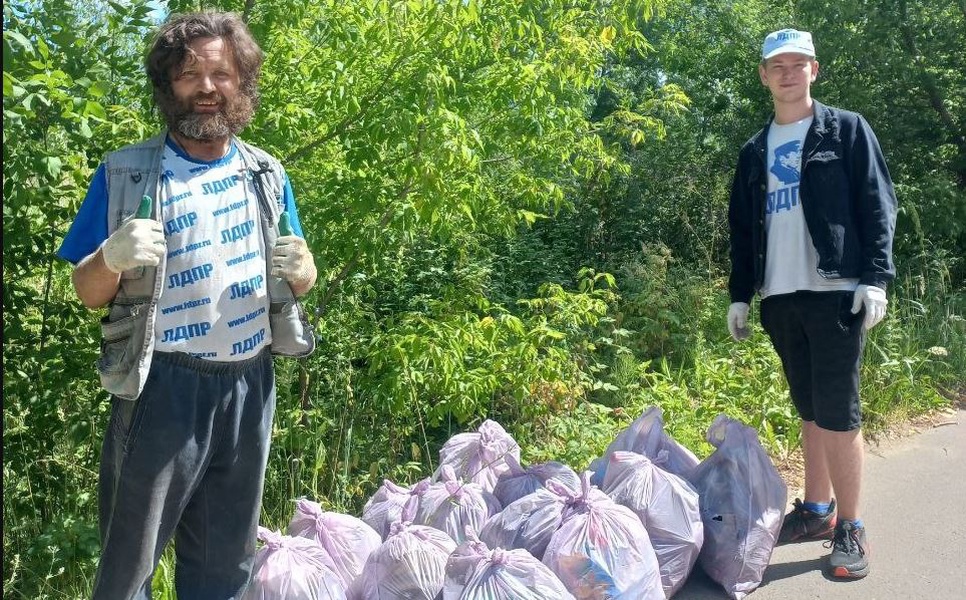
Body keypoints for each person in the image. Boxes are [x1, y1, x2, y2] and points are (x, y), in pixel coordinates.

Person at [57, 11, 318, 599]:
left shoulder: (267, 175)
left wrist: (305, 273)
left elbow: (298, 274)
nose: (206, 88)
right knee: (130, 568)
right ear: (166, 86)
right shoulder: (125, 172)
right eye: (188, 75)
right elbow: (85, 290)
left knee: (225, 568)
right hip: (162, 389)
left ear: (242, 83)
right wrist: (111, 256)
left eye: (221, 74)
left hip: (250, 387)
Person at [726, 28, 897, 580]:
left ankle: (851, 526)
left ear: (814, 70)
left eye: (798, 63)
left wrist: (876, 278)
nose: (788, 73)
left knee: (840, 415)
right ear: (764, 75)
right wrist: (740, 294)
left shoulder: (844, 130)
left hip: (834, 294)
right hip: (780, 297)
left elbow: (877, 203)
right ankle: (818, 510)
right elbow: (741, 231)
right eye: (778, 65)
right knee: (809, 410)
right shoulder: (755, 152)